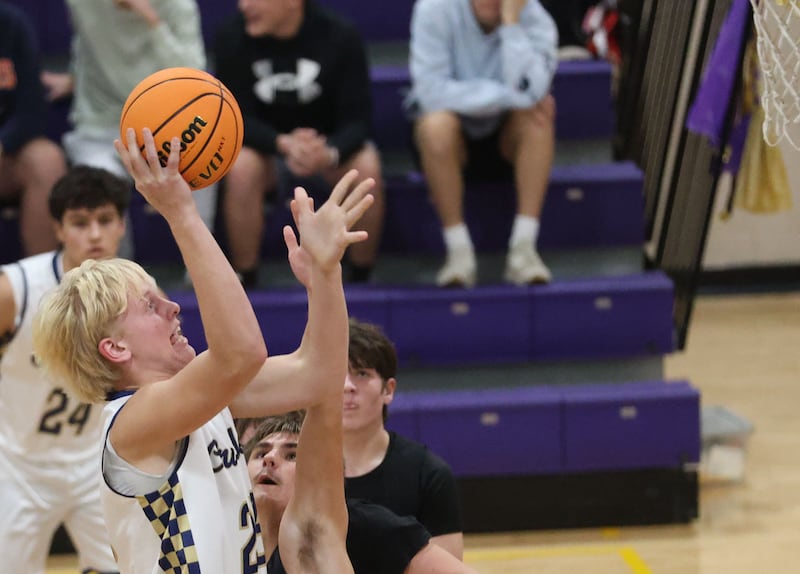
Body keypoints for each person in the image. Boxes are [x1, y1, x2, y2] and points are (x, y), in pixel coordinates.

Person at [32, 127, 374, 572]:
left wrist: (326, 275)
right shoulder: (133, 422)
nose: (174, 308)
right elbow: (241, 352)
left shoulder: (203, 402)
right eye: (150, 306)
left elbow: (318, 375)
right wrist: (180, 213)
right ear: (115, 347)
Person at [0, 165, 129, 573]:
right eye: (79, 223)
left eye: (104, 220)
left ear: (122, 226)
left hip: (96, 465)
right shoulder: (15, 289)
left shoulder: (138, 294)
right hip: (19, 467)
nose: (94, 234)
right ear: (57, 229)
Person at [214, 0, 385, 286]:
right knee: (241, 166)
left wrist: (329, 152)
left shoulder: (340, 35)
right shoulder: (231, 36)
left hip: (327, 150)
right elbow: (234, 117)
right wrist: (282, 144)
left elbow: (359, 121)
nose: (243, 6)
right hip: (267, 151)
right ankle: (245, 278)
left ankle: (361, 276)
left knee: (366, 166)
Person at [40, 0, 215, 260]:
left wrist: (151, 20)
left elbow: (193, 75)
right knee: (99, 189)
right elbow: (86, 36)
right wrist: (76, 76)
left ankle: (203, 270)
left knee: (203, 159)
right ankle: (119, 286)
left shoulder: (178, 5)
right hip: (101, 127)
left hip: (165, 122)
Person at [405, 0, 558, 288]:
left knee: (538, 121)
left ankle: (523, 250)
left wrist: (511, 25)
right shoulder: (433, 9)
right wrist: (510, 96)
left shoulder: (537, 20)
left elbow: (533, 91)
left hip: (504, 139)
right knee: (435, 125)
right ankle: (458, 253)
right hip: (452, 141)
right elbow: (430, 93)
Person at [243, 412, 480, 574]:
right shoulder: (226, 535)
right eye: (259, 453)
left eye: (292, 455)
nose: (269, 459)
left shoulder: (361, 526)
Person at [342, 318, 465, 559]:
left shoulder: (428, 474)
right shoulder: (299, 469)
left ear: (388, 390)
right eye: (337, 374)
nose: (347, 386)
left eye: (362, 374)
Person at [0, 3, 68, 257]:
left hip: (5, 154)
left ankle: (42, 286)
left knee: (47, 160)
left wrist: (3, 143)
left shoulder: (11, 24)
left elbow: (31, 111)